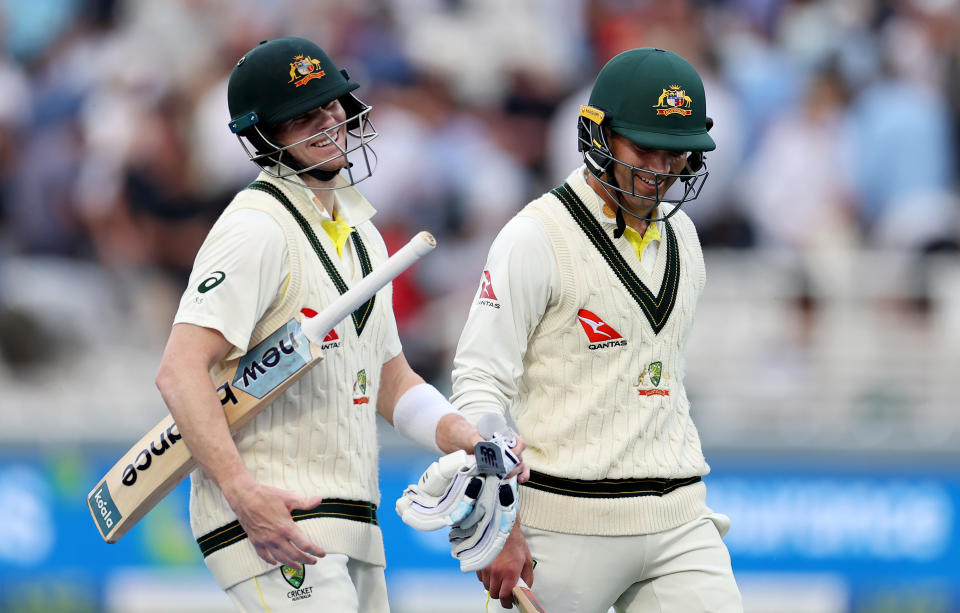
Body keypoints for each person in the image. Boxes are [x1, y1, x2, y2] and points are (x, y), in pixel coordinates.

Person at [154, 37, 509, 613]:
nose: (328, 121)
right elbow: (179, 371)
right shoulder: (255, 228)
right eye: (303, 116)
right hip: (278, 518)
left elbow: (389, 381)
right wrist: (242, 495)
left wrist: (469, 437)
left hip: (352, 518)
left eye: (332, 104)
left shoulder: (362, 230)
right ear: (262, 134)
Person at [450, 48, 743, 612]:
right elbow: (479, 380)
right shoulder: (535, 237)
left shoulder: (684, 238)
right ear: (598, 137)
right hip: (562, 525)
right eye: (645, 150)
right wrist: (497, 517)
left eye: (676, 153)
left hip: (679, 516)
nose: (661, 170)